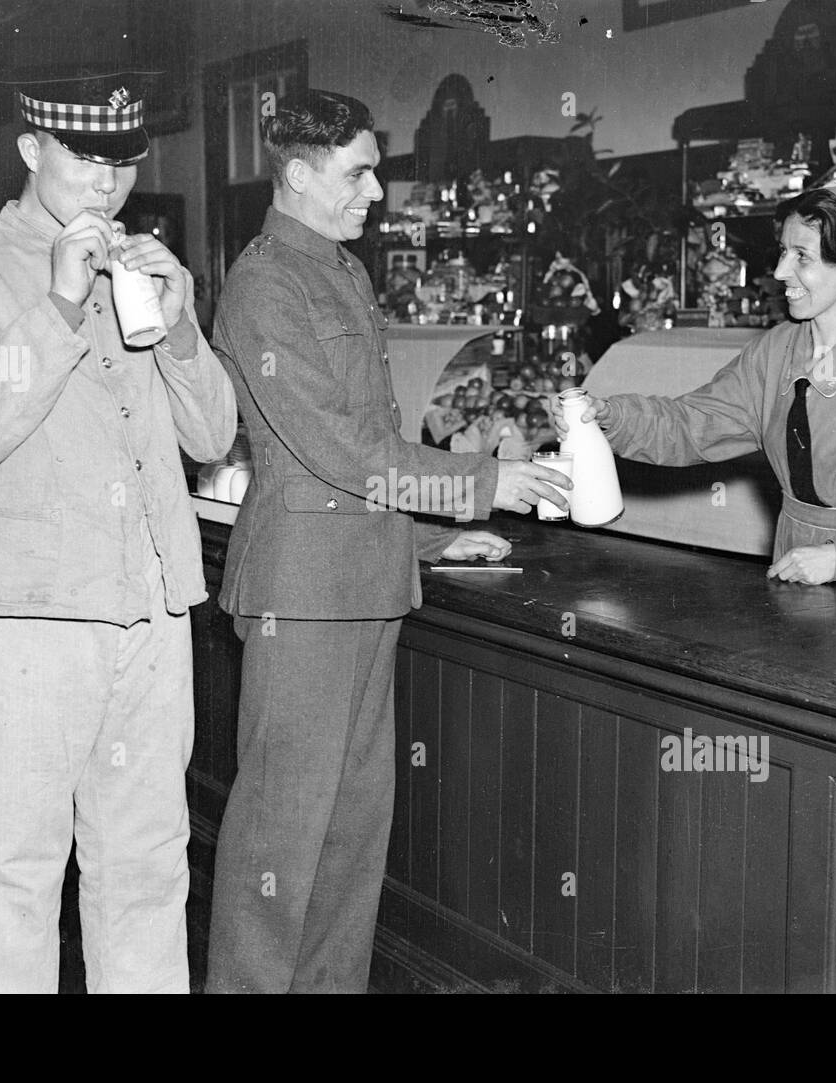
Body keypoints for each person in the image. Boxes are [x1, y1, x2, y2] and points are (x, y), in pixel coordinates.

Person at [206, 89, 569, 993]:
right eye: (358, 171)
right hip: (304, 597)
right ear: (298, 173)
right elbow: (340, 448)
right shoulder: (263, 283)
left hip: (366, 583)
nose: (376, 191)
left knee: (350, 838)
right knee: (279, 842)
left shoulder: (342, 270)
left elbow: (360, 458)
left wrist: (435, 541)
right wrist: (484, 486)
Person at [0, 71, 236, 992]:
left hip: (153, 617)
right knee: (14, 877)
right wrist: (55, 304)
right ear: (28, 151)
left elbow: (212, 438)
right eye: (85, 158)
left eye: (124, 161)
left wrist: (179, 330)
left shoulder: (144, 266)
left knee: (147, 870)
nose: (108, 183)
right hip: (27, 623)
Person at [555, 177, 836, 587]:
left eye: (802, 256)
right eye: (783, 251)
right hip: (794, 567)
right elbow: (693, 424)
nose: (780, 271)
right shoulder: (774, 351)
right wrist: (611, 417)